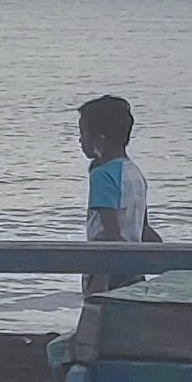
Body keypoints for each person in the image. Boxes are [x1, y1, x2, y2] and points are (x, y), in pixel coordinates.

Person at [78, 94, 156, 297]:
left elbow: (110, 234)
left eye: (83, 133)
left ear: (99, 139)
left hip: (109, 271)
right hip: (133, 270)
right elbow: (144, 230)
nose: (80, 140)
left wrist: (99, 282)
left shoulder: (102, 176)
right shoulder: (135, 173)